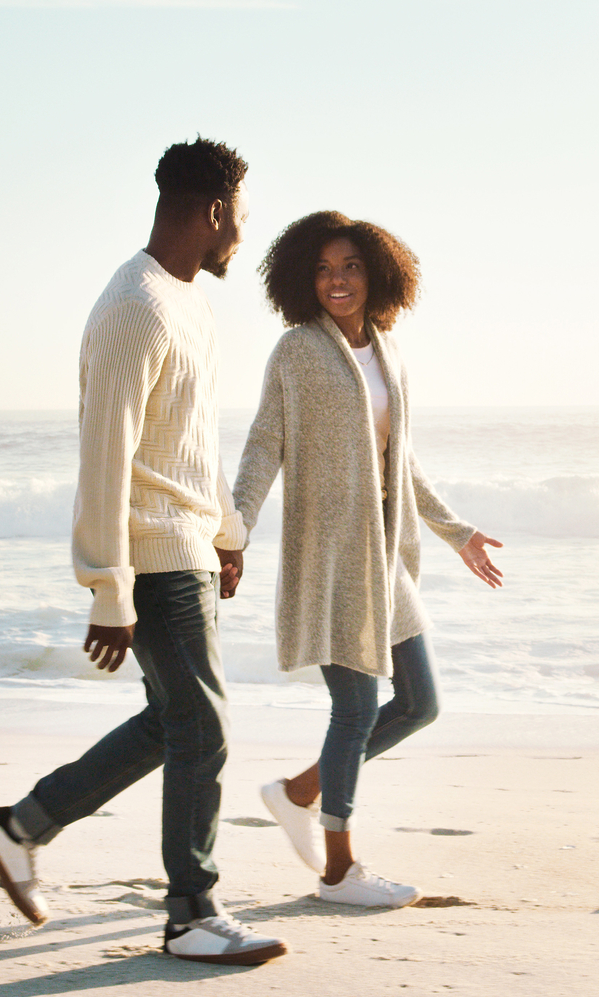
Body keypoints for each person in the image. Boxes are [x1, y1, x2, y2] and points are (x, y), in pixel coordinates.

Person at [0, 138, 286, 966]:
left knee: (174, 720)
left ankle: (21, 826)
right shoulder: (132, 308)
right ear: (214, 211)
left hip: (185, 544)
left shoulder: (189, 304)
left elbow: (189, 439)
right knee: (203, 726)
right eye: (241, 218)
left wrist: (225, 530)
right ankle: (191, 913)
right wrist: (108, 587)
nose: (243, 238)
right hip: (148, 556)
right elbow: (105, 454)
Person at [232, 210, 504, 907]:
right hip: (332, 557)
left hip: (386, 557)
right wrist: (237, 524)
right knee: (354, 709)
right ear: (304, 278)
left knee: (419, 702)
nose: (337, 280)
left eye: (350, 265)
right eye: (323, 268)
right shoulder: (297, 351)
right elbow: (267, 442)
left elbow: (400, 459)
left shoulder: (387, 352)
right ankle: (338, 868)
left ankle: (299, 790)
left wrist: (456, 530)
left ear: (376, 272)